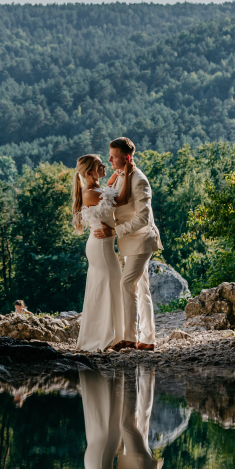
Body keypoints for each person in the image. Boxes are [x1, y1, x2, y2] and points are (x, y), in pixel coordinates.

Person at [94, 137, 162, 351]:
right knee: (142, 289)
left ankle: (130, 339)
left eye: (113, 157)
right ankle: (148, 339)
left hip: (142, 240)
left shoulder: (139, 180)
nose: (109, 160)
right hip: (129, 242)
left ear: (127, 157)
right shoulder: (120, 176)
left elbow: (144, 218)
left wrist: (114, 231)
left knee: (126, 284)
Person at [72, 153, 132, 351]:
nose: (105, 167)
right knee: (112, 286)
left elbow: (108, 195)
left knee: (107, 287)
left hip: (101, 245)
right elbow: (122, 199)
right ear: (90, 173)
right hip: (101, 248)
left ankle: (110, 335)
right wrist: (128, 174)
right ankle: (109, 338)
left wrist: (113, 180)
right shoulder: (91, 193)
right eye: (100, 166)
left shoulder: (94, 190)